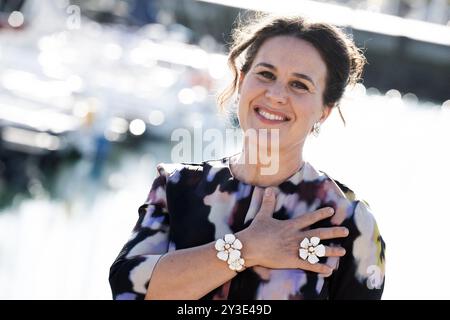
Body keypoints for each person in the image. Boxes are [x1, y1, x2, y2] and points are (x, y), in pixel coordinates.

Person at [109, 14, 385, 300]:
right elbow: (127, 289)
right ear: (242, 82)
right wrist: (246, 248)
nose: (276, 94)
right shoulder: (176, 186)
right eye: (266, 74)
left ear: (324, 110)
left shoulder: (348, 220)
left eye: (300, 85)